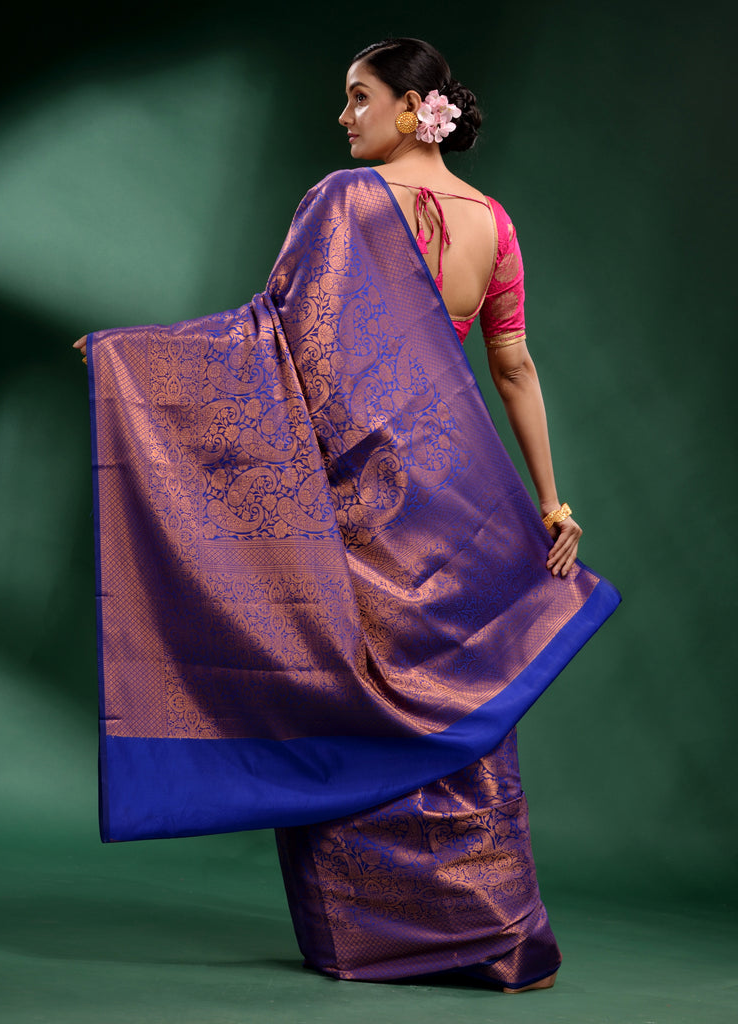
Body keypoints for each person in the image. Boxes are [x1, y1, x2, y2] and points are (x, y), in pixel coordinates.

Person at [74, 37, 618, 995]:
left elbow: (270, 341)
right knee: (458, 702)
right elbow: (514, 366)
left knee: (346, 691)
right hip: (459, 498)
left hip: (358, 498)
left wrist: (133, 361)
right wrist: (550, 502)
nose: (344, 115)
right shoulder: (494, 224)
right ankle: (494, 934)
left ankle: (373, 939)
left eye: (360, 96)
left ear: (413, 107)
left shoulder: (344, 202)